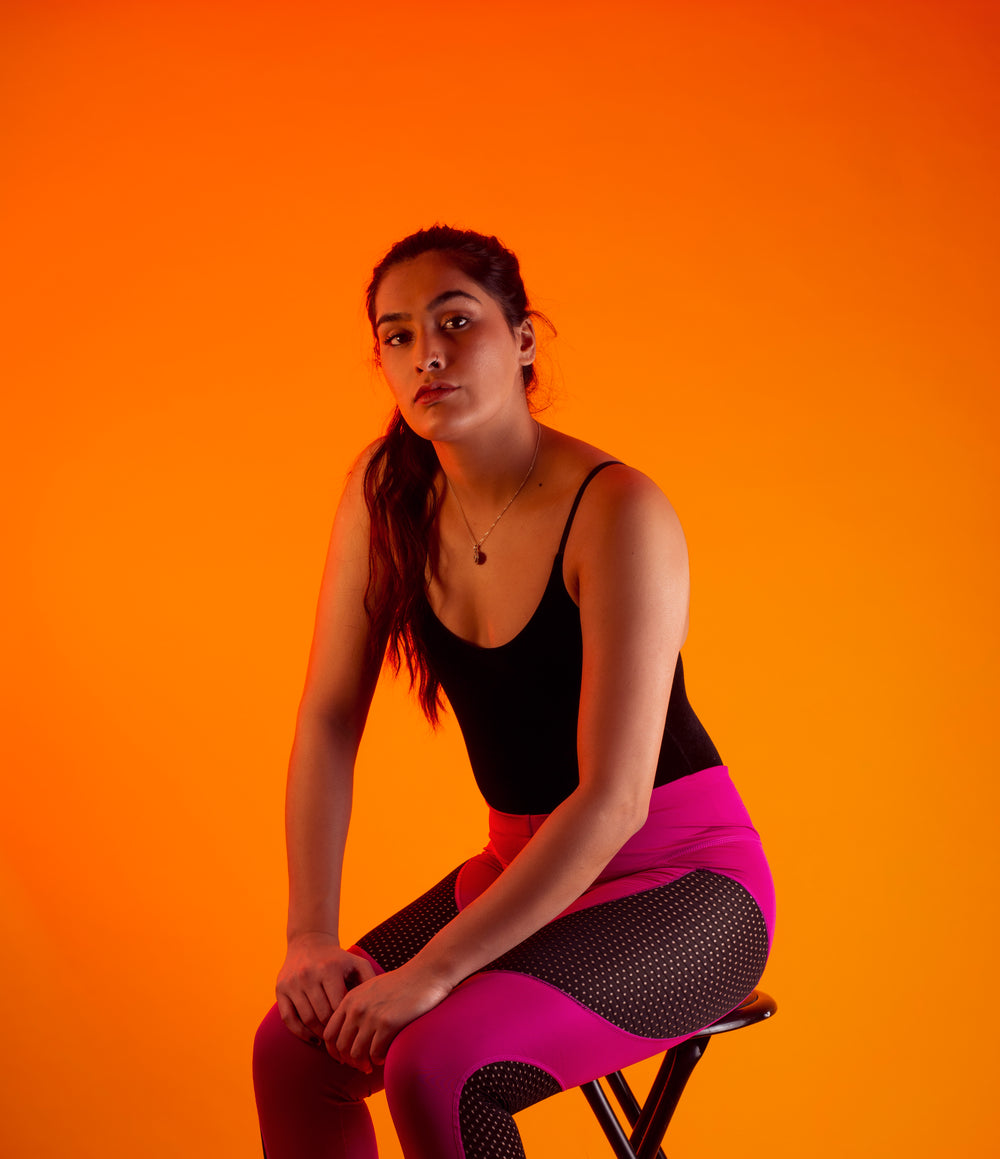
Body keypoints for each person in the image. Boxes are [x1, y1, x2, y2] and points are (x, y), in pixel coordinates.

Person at [252, 225, 775, 1159]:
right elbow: (330, 720)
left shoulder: (616, 510)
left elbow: (613, 799)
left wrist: (434, 973)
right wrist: (308, 935)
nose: (428, 354)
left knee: (437, 1063)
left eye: (457, 321)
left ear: (525, 338)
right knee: (295, 1049)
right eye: (398, 334)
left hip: (687, 887)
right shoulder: (387, 495)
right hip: (521, 869)